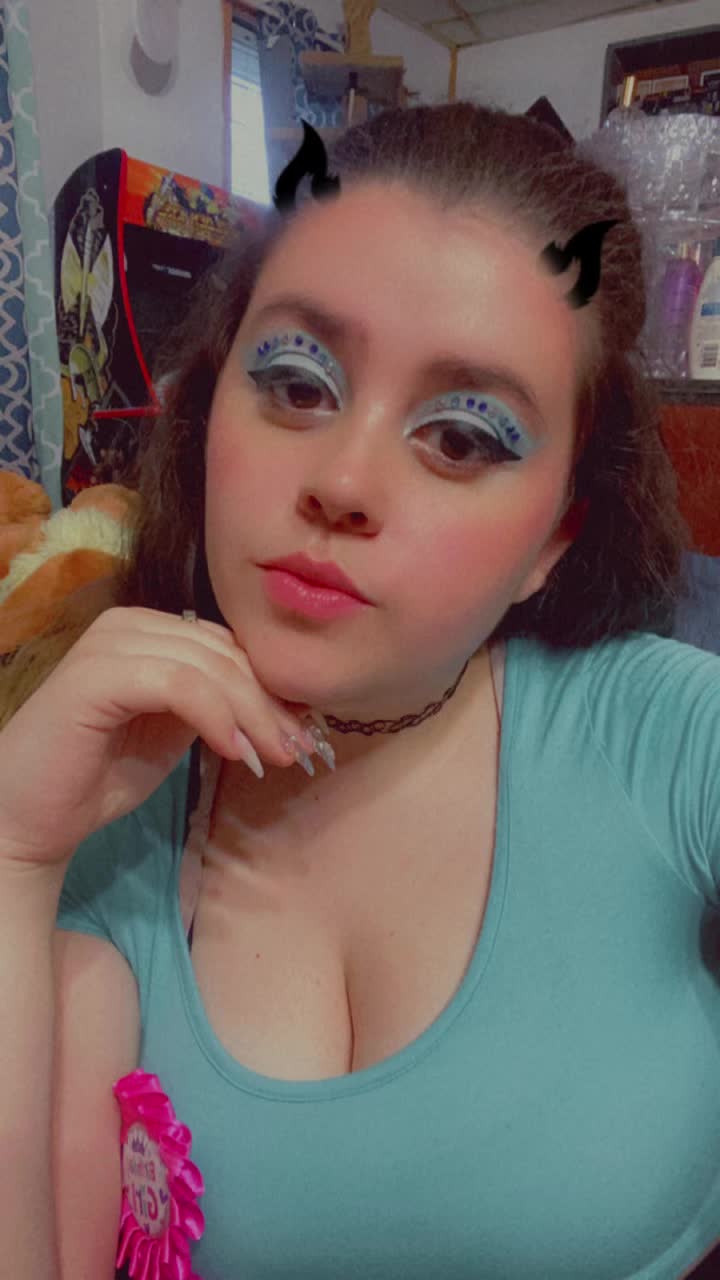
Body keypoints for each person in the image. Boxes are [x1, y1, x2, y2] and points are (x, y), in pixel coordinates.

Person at [0, 99, 716, 1280]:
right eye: (296, 381)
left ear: (556, 537)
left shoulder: (669, 736)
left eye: (465, 436)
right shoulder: (108, 806)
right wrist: (15, 851)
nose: (341, 479)